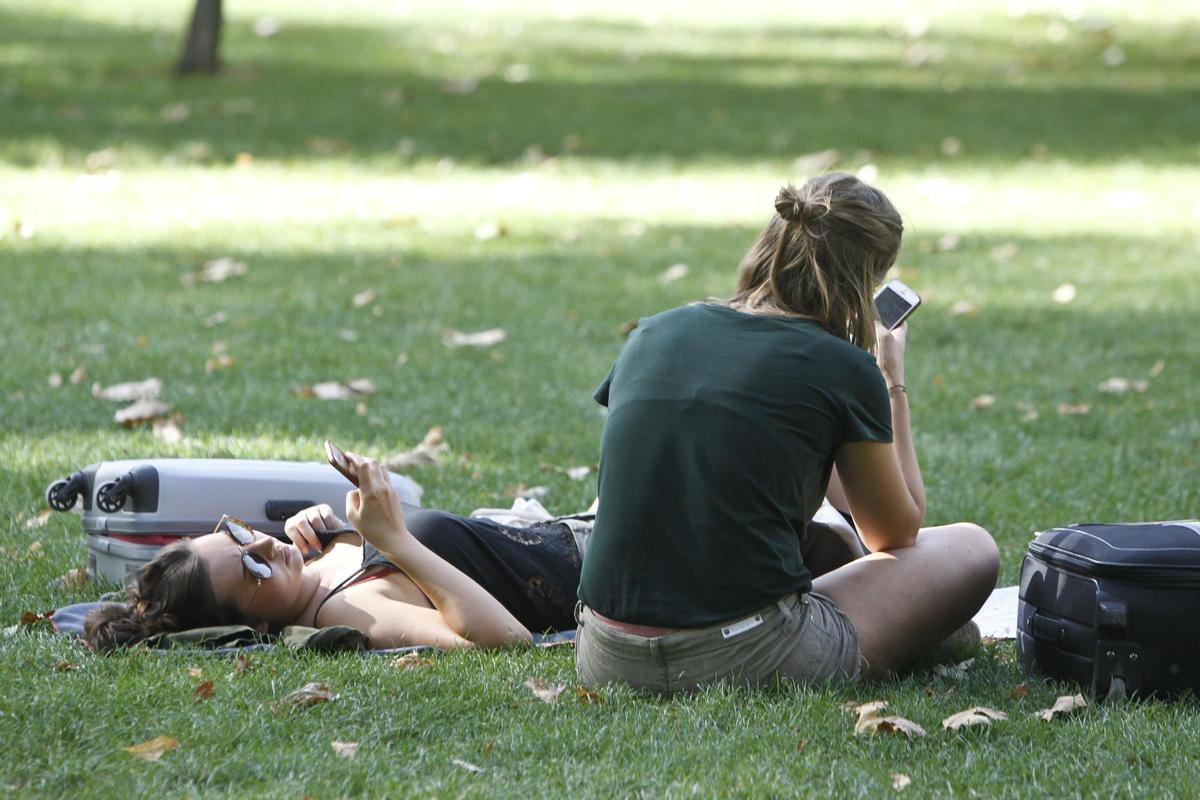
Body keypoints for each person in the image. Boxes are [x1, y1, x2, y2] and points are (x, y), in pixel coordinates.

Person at [575, 173, 1000, 694]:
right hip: (743, 654)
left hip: (604, 653)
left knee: (833, 546)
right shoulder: (840, 366)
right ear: (864, 280)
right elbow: (894, 534)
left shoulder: (654, 331)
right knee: (973, 549)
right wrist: (891, 379)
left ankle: (929, 631)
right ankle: (930, 634)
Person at [85, 454, 583, 651]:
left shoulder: (314, 560)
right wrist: (395, 541)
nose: (262, 543)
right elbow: (509, 644)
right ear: (257, 628)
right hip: (600, 561)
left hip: (569, 528)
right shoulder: (349, 611)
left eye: (238, 535)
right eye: (252, 565)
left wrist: (338, 530)